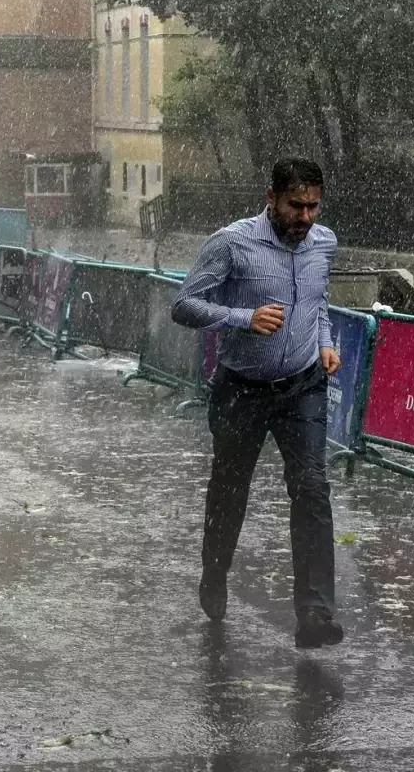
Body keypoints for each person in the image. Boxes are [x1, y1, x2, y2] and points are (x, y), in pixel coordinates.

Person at [171, 157, 344, 649]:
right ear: (271, 198)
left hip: (302, 385)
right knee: (230, 490)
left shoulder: (324, 243)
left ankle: (315, 612)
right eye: (296, 205)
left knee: (312, 488)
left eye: (313, 206)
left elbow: (318, 301)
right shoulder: (231, 243)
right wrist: (242, 317)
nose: (305, 217)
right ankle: (215, 571)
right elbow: (184, 305)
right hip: (241, 389)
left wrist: (325, 340)